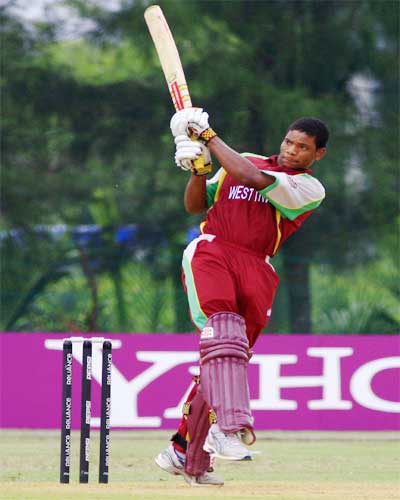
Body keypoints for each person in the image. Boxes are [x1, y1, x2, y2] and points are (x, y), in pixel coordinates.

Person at [155, 108, 329, 486]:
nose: (291, 151)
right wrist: (198, 172)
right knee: (225, 338)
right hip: (213, 251)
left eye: (302, 147)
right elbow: (195, 205)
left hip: (258, 268)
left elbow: (253, 178)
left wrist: (209, 137)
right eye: (288, 141)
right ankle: (229, 428)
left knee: (225, 362)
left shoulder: (309, 188)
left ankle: (186, 452)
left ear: (317, 155)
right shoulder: (243, 158)